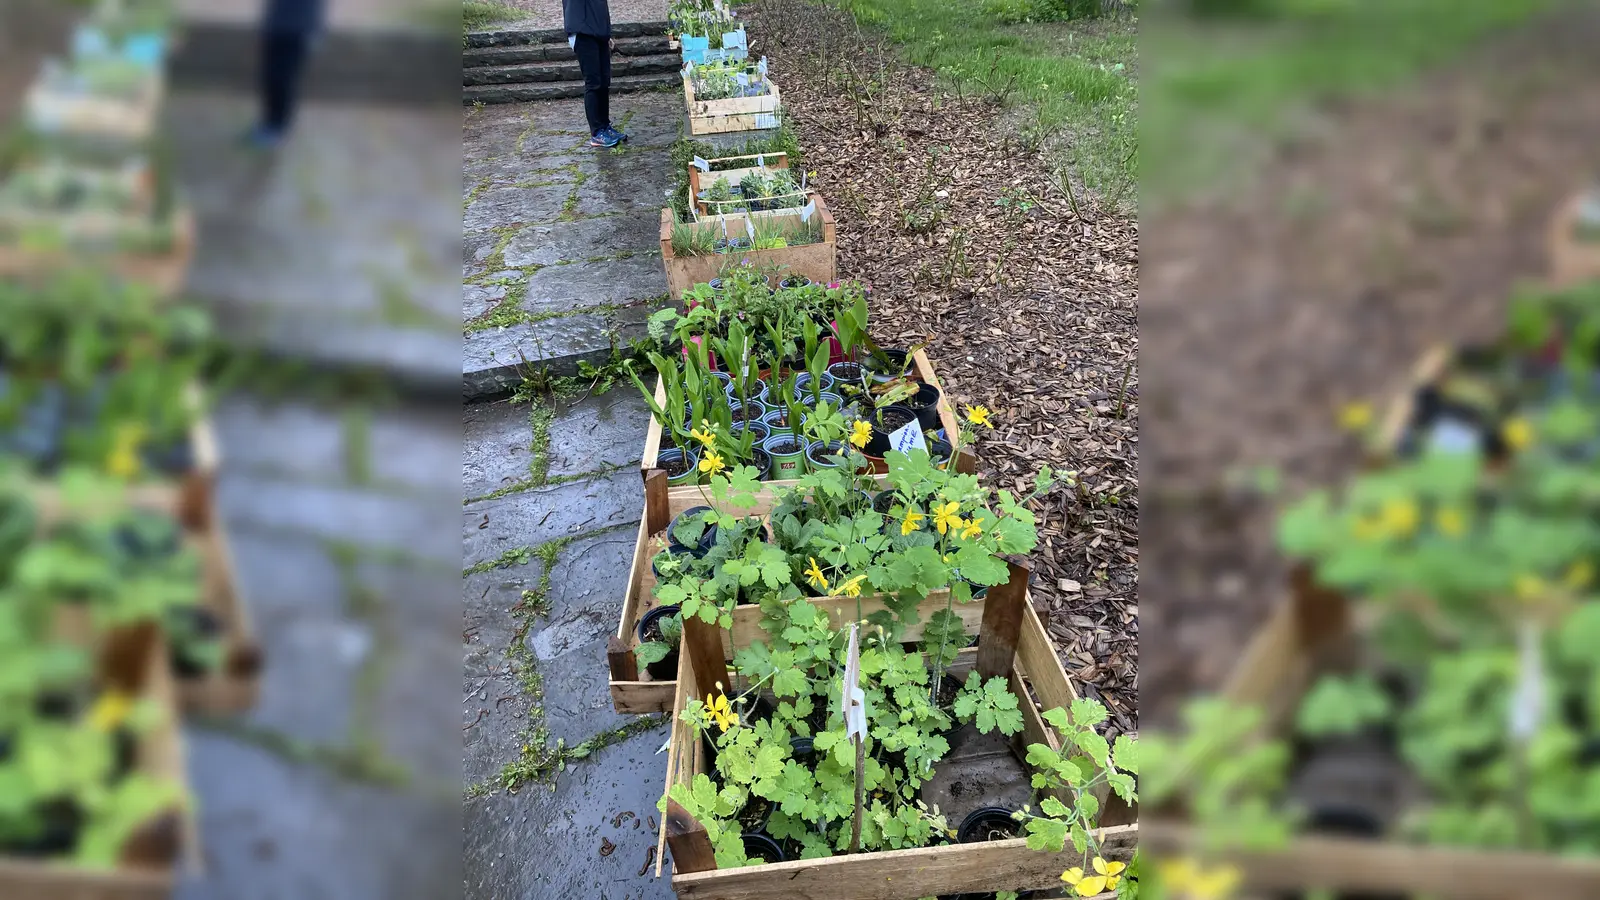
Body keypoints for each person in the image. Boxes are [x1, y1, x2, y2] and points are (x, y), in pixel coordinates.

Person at [246, 0, 326, 149]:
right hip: (276, 24)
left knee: (283, 79)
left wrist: (314, 30)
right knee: (270, 77)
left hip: (298, 27)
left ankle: (278, 128)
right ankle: (268, 123)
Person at [564, 0, 630, 148]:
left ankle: (605, 126)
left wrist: (606, 34)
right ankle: (597, 132)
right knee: (593, 83)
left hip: (599, 33)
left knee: (604, 81)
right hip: (582, 32)